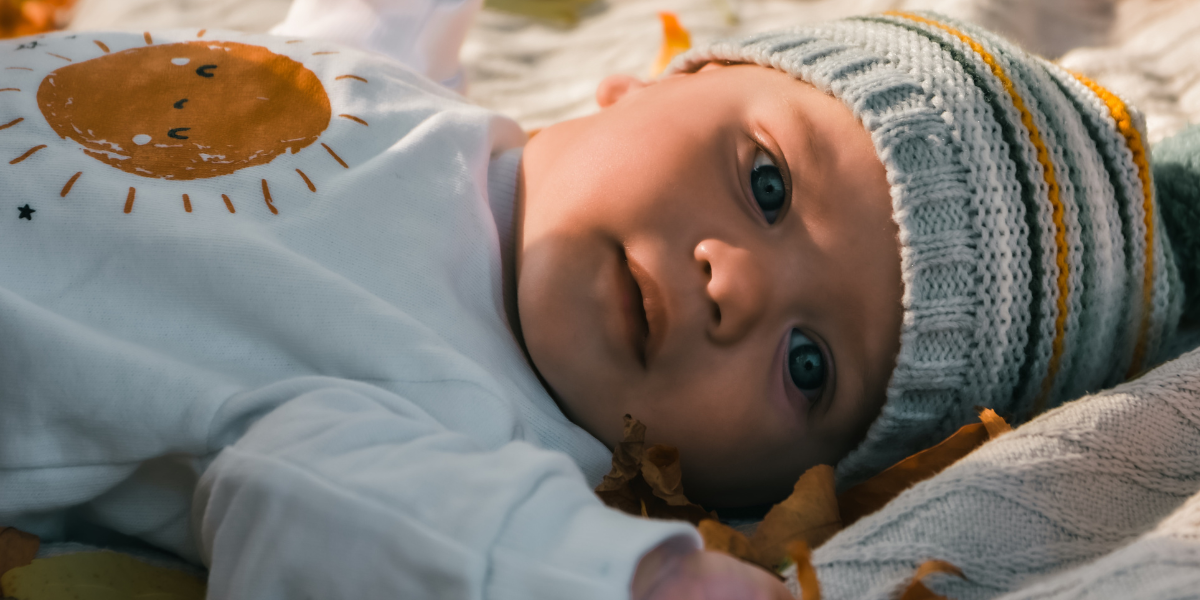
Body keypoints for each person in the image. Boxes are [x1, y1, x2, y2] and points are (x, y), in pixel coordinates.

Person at [0, 0, 1187, 597]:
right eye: (766, 182)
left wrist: (644, 580)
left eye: (808, 365)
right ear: (651, 85)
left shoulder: (476, 428)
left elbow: (318, 516)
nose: (738, 282)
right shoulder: (414, 103)